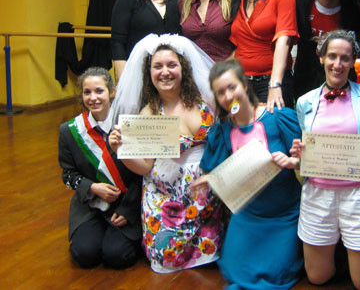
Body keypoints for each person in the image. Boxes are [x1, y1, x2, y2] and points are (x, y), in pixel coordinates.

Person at [108, 34, 225, 273]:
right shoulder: (148, 113)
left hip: (207, 196)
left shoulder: (206, 100)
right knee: (165, 257)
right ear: (149, 72)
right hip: (166, 199)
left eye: (172, 65)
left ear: (183, 68)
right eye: (157, 66)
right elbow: (144, 167)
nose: (165, 72)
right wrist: (121, 150)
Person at [292, 30, 360, 290]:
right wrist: (300, 154)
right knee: (317, 277)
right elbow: (305, 156)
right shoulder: (304, 102)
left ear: (353, 61)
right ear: (321, 58)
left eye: (345, 58)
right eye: (332, 56)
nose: (338, 64)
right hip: (317, 195)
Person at [195, 59, 304, 289]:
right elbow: (223, 172)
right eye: (220, 92)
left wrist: (292, 161)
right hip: (248, 215)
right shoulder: (223, 130)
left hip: (284, 214)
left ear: (244, 85)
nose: (228, 96)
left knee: (273, 275)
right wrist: (210, 180)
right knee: (235, 271)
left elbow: (308, 161)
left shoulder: (277, 117)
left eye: (232, 87)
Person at [58, 67, 141, 269]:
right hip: (90, 204)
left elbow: (142, 175)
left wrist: (129, 209)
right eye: (87, 92)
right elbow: (68, 174)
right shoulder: (70, 131)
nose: (93, 98)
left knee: (117, 256)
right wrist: (92, 187)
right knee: (85, 255)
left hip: (125, 203)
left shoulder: (129, 125)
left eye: (99, 91)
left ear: (111, 92)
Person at [229, 0, 298, 110]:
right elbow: (239, 46)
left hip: (271, 81)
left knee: (272, 126)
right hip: (241, 83)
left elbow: (284, 39)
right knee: (241, 128)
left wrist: (275, 84)